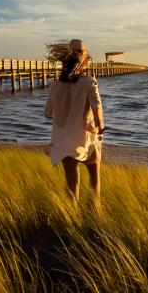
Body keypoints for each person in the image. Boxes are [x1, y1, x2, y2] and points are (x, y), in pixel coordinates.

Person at [44, 39, 104, 204]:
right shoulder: (89, 82)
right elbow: (97, 109)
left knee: (72, 184)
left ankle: (72, 218)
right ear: (84, 59)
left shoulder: (56, 85)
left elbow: (48, 113)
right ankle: (94, 214)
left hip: (62, 139)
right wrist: (100, 126)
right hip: (85, 138)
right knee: (94, 180)